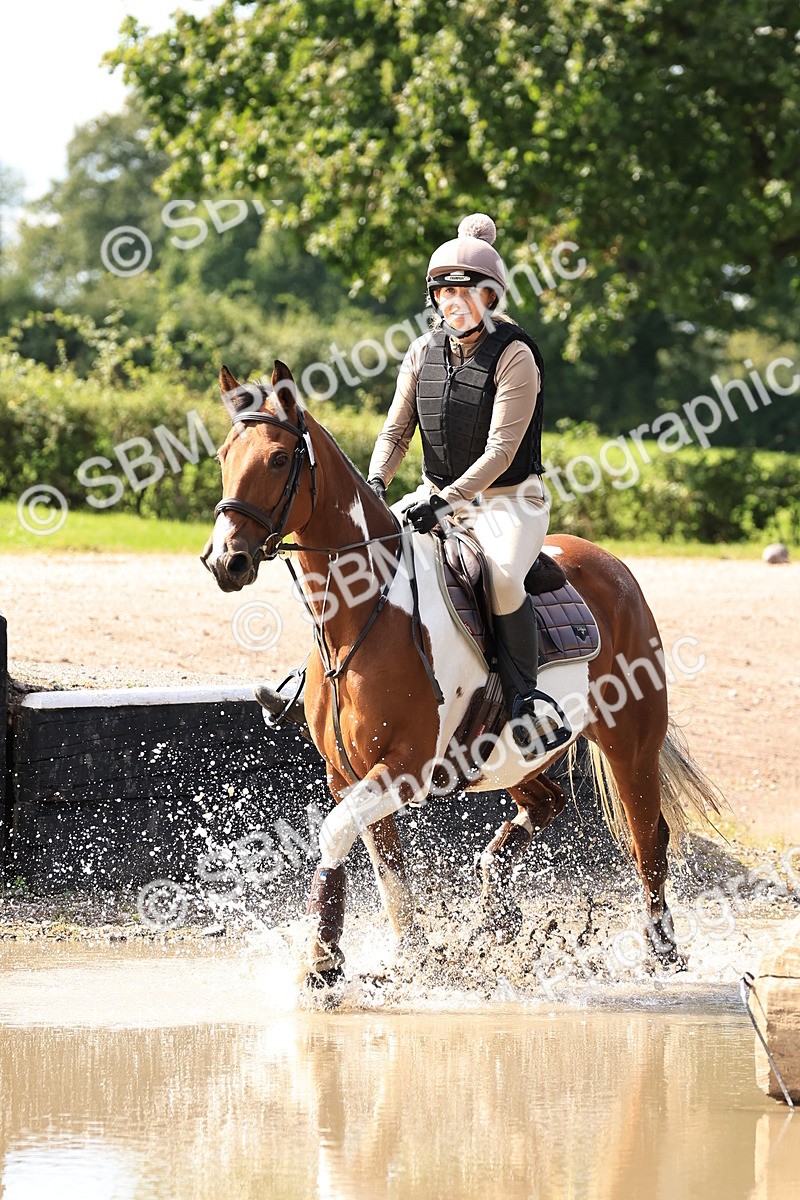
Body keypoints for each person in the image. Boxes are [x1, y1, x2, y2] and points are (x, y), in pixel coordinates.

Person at [256, 212, 570, 756]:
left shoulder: (516, 355)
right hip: (433, 497)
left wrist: (446, 501)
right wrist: (377, 481)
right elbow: (398, 430)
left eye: (463, 293)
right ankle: (309, 674)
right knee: (356, 557)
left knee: (499, 579)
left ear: (490, 297)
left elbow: (500, 452)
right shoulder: (422, 352)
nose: (451, 303)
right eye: (443, 293)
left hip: (508, 505)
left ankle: (527, 702)